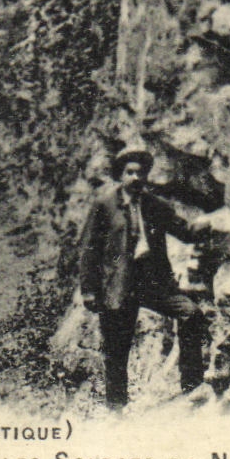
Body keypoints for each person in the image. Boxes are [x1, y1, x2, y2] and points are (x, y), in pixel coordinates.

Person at [78, 148, 209, 409]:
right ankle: (116, 410)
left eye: (140, 173)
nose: (136, 178)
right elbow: (88, 248)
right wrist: (89, 290)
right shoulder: (104, 205)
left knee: (190, 313)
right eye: (130, 172)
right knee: (117, 349)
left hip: (152, 280)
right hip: (118, 285)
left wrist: (210, 225)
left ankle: (192, 386)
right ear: (121, 175)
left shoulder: (154, 205)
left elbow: (182, 230)